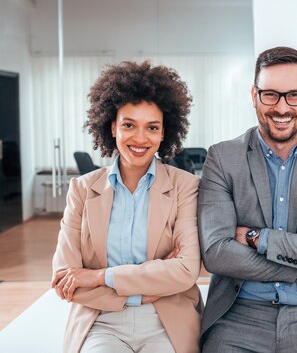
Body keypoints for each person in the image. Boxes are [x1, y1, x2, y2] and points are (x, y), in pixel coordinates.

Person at [197, 46, 297, 353]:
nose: (282, 107)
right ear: (254, 96)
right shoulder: (222, 157)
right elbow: (217, 253)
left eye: (294, 95)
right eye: (270, 94)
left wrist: (258, 238)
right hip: (238, 317)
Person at [51, 61, 202, 353]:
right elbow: (64, 279)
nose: (140, 138)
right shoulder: (82, 190)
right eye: (129, 125)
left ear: (163, 133)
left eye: (152, 127)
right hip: (101, 320)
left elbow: (185, 271)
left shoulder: (185, 186)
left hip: (166, 318)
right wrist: (141, 292)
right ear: (112, 126)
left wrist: (99, 276)